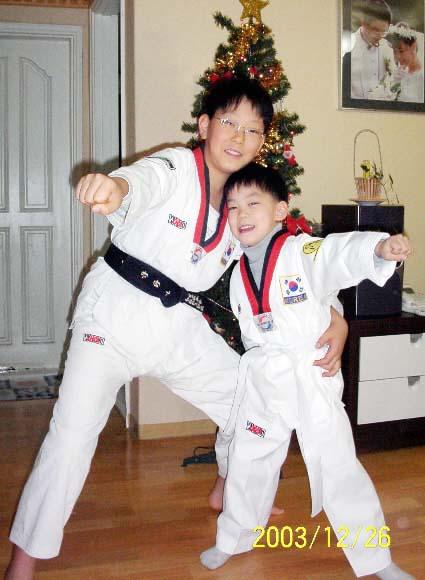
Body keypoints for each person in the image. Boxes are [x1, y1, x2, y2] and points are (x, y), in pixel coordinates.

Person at [5, 77, 348, 580]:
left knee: (253, 399)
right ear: (205, 125)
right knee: (72, 435)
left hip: (179, 325)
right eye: (228, 122)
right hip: (114, 316)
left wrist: (334, 314)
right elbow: (139, 182)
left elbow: (292, 256)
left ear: (262, 141)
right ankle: (25, 558)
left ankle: (229, 491)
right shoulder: (174, 166)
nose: (239, 137)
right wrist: (114, 188)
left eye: (253, 130)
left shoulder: (245, 200)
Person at [200, 163, 414, 580]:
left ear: (281, 210)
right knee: (249, 459)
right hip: (265, 375)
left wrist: (377, 249)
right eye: (233, 207)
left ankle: (376, 558)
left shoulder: (301, 251)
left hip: (310, 371)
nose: (241, 214)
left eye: (253, 203)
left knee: (338, 465)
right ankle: (233, 538)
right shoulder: (237, 267)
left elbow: (336, 255)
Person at [346, 0, 394, 99]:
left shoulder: (388, 48)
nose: (380, 36)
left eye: (384, 31)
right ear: (363, 23)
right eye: (376, 30)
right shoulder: (348, 46)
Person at [386, 22, 424, 103]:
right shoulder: (398, 73)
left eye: (401, 51)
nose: (397, 57)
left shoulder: (422, 76)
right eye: (394, 51)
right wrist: (395, 84)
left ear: (413, 46)